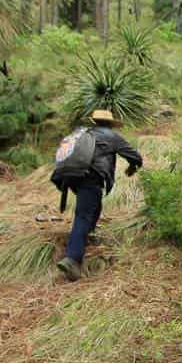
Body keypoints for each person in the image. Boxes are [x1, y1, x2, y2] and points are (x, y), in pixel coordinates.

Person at [51, 109, 143, 281]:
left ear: (94, 121)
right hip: (91, 176)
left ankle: (86, 236)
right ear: (110, 123)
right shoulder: (112, 136)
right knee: (84, 215)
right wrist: (132, 168)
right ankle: (72, 258)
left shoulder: (82, 133)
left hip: (72, 177)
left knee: (94, 207)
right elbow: (136, 157)